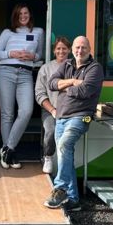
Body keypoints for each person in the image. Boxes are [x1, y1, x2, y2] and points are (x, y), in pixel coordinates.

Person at [45, 36, 104, 212]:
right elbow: (51, 84)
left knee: (64, 145)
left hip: (83, 116)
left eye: (83, 48)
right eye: (77, 47)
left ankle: (60, 188)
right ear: (73, 50)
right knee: (65, 154)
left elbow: (85, 91)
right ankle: (73, 200)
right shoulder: (67, 65)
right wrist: (71, 82)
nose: (80, 51)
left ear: (89, 49)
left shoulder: (95, 68)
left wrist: (64, 87)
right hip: (61, 116)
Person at [0, 4, 44, 170]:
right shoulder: (8, 32)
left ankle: (8, 148)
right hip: (6, 72)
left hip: (25, 74)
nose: (23, 16)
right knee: (7, 114)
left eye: (26, 13)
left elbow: (40, 55)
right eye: (20, 13)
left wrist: (32, 56)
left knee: (26, 111)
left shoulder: (38, 31)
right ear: (15, 16)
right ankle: (10, 154)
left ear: (30, 15)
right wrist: (11, 54)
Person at [34, 36, 71, 174]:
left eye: (64, 48)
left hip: (70, 111)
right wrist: (53, 110)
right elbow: (39, 93)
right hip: (50, 110)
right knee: (50, 131)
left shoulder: (75, 67)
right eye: (58, 49)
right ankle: (48, 156)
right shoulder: (45, 68)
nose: (61, 51)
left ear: (69, 50)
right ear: (54, 51)